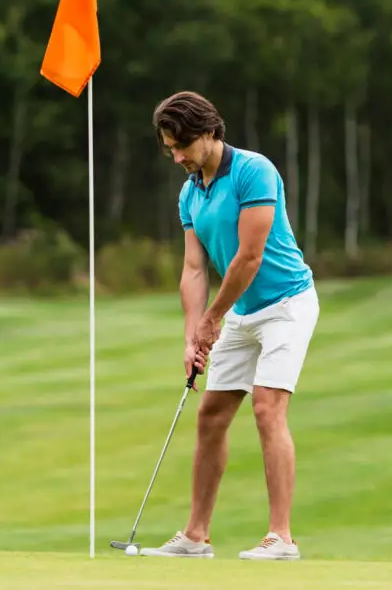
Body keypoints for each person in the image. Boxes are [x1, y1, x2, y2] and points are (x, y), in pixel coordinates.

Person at [139, 90, 320, 561]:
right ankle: (196, 536)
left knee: (266, 408)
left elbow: (248, 257)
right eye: (169, 148)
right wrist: (190, 336)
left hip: (287, 303)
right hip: (238, 311)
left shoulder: (253, 171)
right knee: (212, 414)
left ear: (209, 132)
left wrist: (213, 319)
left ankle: (281, 537)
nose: (176, 156)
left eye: (182, 145)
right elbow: (194, 270)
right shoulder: (189, 191)